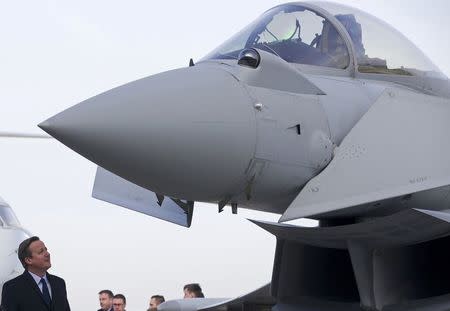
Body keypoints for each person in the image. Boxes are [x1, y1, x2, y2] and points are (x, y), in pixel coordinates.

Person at [0, 236, 71, 311]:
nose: (47, 254)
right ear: (28, 260)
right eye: (41, 252)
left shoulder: (59, 283)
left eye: (46, 250)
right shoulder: (12, 288)